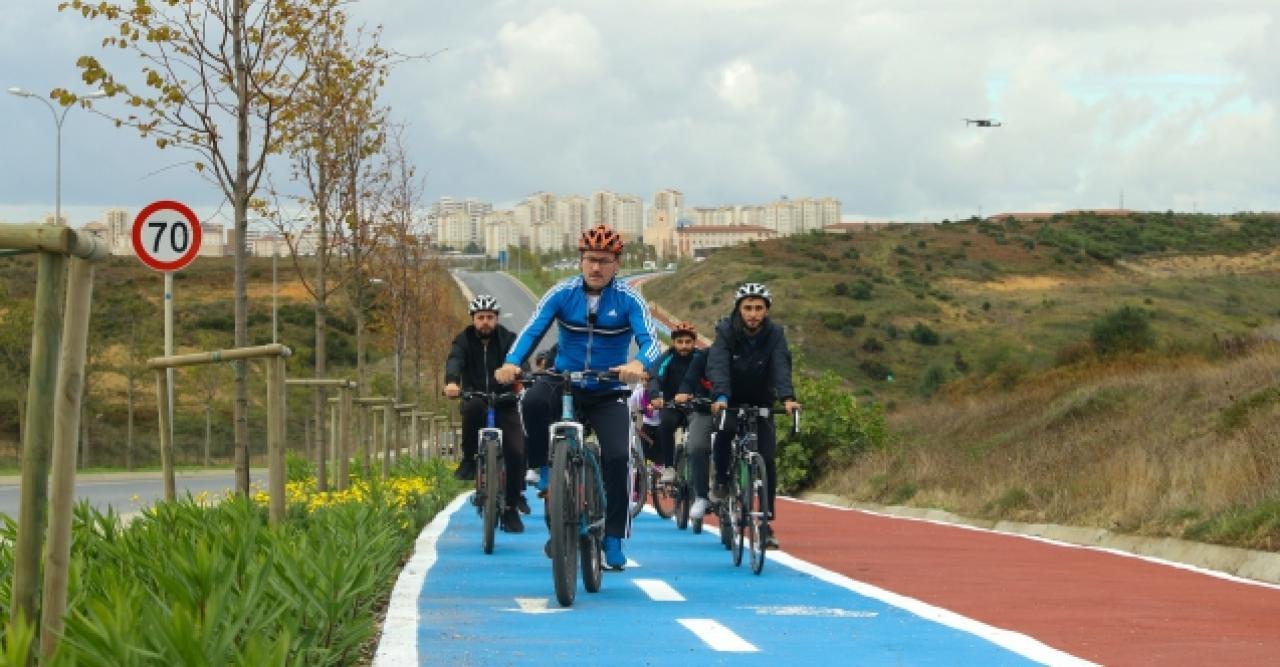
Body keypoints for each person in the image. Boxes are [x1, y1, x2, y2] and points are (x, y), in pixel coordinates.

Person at [495, 224, 660, 570]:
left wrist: (637, 363)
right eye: (589, 260)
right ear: (580, 261)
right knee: (532, 402)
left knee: (617, 458)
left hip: (608, 388)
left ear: (617, 262)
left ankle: (613, 536)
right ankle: (544, 468)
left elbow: (652, 341)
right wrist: (511, 362)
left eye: (603, 260)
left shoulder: (629, 300)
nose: (596, 268)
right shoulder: (562, 293)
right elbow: (533, 329)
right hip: (565, 381)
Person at [706, 282, 800, 550]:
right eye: (748, 308)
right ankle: (722, 481)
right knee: (724, 432)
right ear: (739, 309)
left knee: (767, 458)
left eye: (759, 308)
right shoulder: (725, 331)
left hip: (761, 399)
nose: (753, 313)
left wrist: (788, 398)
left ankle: (766, 523)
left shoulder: (776, 334)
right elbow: (718, 364)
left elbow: (781, 365)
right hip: (731, 398)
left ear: (767, 311)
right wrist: (721, 397)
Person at [445, 294, 528, 533]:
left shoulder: (508, 339)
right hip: (476, 397)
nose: (485, 322)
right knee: (471, 410)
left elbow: (520, 361)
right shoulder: (463, 340)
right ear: (473, 319)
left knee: (515, 449)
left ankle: (511, 507)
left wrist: (523, 379)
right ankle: (469, 458)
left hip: (505, 400)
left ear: (496, 319)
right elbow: (454, 361)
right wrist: (452, 382)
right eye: (480, 317)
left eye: (489, 318)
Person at [646, 322, 703, 484]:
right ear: (673, 343)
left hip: (697, 406)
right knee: (665, 424)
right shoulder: (667, 357)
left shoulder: (701, 358)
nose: (684, 346)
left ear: (694, 342)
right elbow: (655, 378)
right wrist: (655, 396)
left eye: (688, 342)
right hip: (673, 406)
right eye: (680, 342)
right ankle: (669, 467)